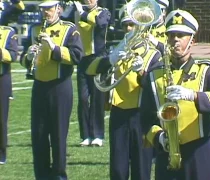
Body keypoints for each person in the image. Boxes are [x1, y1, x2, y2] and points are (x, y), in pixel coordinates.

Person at [141, 9, 210, 180]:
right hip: (166, 151)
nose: (175, 39)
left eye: (181, 35)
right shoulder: (154, 75)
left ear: (192, 41)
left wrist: (194, 95)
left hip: (198, 151)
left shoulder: (205, 70)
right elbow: (144, 117)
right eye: (171, 35)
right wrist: (158, 137)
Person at [85, 4, 162, 180]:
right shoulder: (118, 50)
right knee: (118, 169)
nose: (128, 28)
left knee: (141, 169)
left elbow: (157, 88)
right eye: (125, 25)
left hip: (142, 115)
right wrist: (110, 59)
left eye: (132, 24)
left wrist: (142, 71)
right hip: (119, 113)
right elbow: (90, 70)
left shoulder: (154, 54)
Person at [19, 0, 83, 179]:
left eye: (49, 9)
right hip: (39, 86)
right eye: (43, 9)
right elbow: (24, 58)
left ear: (58, 9)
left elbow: (77, 56)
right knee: (38, 135)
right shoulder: (34, 29)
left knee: (58, 135)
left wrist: (54, 47)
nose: (46, 12)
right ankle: (41, 175)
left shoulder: (69, 29)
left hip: (59, 86)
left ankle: (59, 176)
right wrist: (28, 56)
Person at [72, 0, 111, 147]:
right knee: (82, 98)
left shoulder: (103, 12)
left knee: (96, 98)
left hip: (98, 58)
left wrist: (82, 14)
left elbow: (100, 23)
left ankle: (98, 134)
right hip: (83, 58)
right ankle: (85, 135)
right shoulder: (76, 10)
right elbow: (62, 16)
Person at [0, 25, 18, 165]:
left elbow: (12, 55)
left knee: (1, 119)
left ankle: (1, 154)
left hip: (1, 79)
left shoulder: (8, 32)